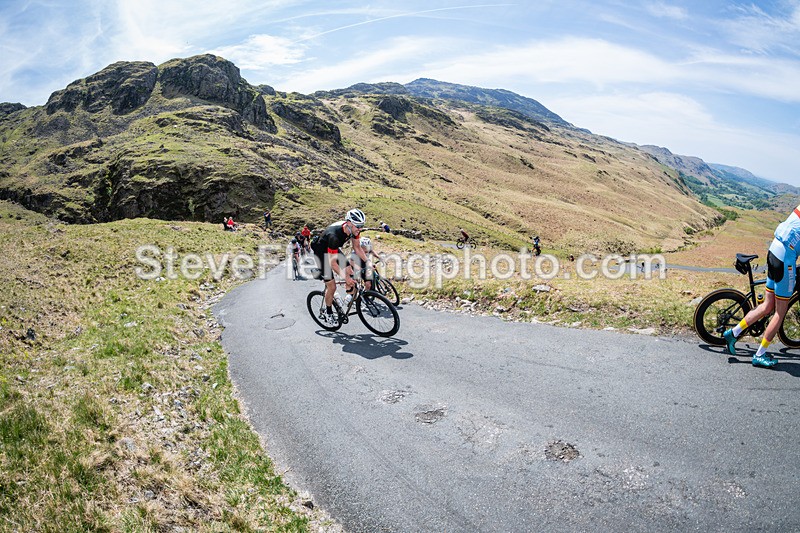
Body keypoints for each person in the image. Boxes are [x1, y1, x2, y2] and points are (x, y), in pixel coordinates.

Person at [723, 204, 800, 368]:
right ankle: (760, 355)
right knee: (780, 312)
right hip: (785, 259)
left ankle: (733, 333)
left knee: (767, 305)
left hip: (774, 251)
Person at [310, 209, 368, 325]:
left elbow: (357, 248)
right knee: (332, 287)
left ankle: (349, 297)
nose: (360, 229)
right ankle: (328, 311)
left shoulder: (354, 230)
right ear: (349, 223)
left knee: (349, 270)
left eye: (362, 226)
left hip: (333, 250)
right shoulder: (334, 236)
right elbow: (333, 264)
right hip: (321, 252)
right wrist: (345, 278)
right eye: (358, 226)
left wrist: (368, 263)